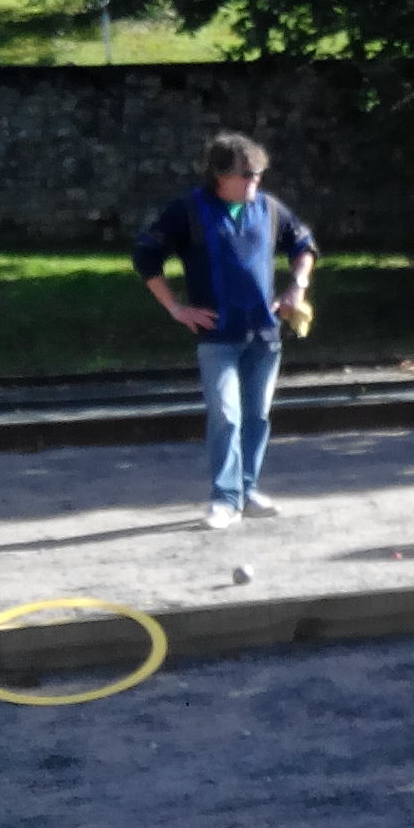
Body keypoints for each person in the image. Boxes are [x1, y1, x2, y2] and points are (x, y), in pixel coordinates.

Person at [132, 132, 317, 531]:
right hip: (217, 336)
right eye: (246, 174)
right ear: (220, 174)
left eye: (259, 174)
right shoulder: (188, 211)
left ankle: (248, 490)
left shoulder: (269, 209)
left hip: (264, 334)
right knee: (226, 415)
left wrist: (297, 286)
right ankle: (224, 498)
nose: (255, 181)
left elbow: (303, 245)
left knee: (257, 415)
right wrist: (176, 308)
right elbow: (145, 256)